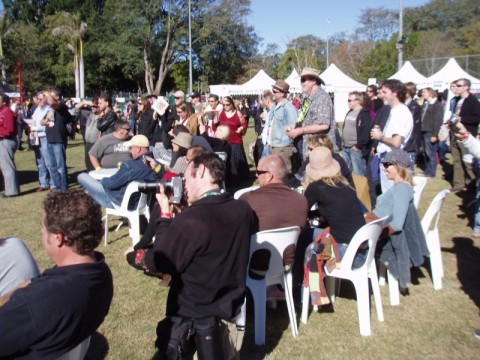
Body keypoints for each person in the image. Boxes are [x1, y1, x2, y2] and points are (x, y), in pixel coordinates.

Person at [141, 152, 253, 359]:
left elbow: (160, 260)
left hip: (193, 317)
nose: (183, 185)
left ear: (200, 171)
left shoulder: (192, 220)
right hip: (229, 309)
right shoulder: (243, 209)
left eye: (185, 179)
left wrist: (165, 215)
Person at [0, 190, 113, 359]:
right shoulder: (100, 272)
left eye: (43, 228)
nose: (41, 233)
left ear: (58, 238)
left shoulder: (36, 303)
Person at [301, 147, 366, 306]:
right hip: (363, 250)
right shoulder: (345, 184)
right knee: (315, 233)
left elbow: (300, 211)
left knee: (304, 237)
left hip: (345, 253)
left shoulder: (316, 187)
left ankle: (306, 291)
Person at [371, 150, 428, 295]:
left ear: (399, 167)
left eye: (387, 165)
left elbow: (397, 224)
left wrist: (377, 234)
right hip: (374, 222)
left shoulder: (402, 189)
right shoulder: (399, 187)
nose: (384, 168)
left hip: (375, 229)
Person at [77, 134, 159, 208]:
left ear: (138, 149)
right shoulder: (156, 166)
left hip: (119, 201)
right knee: (90, 192)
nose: (130, 151)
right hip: (143, 204)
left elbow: (112, 184)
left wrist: (101, 180)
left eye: (131, 148)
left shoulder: (130, 166)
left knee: (82, 176)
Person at [370, 79, 413, 194]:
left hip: (393, 159)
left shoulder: (400, 112)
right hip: (388, 158)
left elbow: (396, 142)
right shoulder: (394, 111)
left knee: (391, 195)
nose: (381, 95)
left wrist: (380, 137)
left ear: (395, 93)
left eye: (384, 92)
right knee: (387, 194)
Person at [286, 67, 335, 160]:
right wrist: (295, 126)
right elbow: (304, 120)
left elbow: (324, 125)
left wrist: (301, 130)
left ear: (313, 81)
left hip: (320, 151)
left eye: (304, 80)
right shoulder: (308, 99)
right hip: (309, 148)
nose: (301, 83)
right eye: (301, 80)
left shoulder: (321, 97)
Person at [449, 79, 480, 193]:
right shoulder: (456, 100)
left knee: (468, 162)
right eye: (455, 85)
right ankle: (458, 184)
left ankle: (472, 183)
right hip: (454, 133)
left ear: (466, 87)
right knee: (456, 160)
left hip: (467, 135)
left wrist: (463, 119)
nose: (456, 87)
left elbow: (477, 118)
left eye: (459, 85)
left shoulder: (473, 101)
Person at [41, 89, 73, 192]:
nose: (47, 98)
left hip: (59, 140)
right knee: (52, 166)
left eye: (51, 96)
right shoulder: (49, 109)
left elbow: (53, 102)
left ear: (57, 97)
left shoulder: (62, 106)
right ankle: (57, 187)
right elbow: (41, 121)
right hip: (49, 140)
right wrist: (44, 121)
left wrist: (48, 94)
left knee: (60, 167)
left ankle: (63, 188)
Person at [263, 79, 298, 172]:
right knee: (274, 172)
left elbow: (294, 126)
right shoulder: (274, 106)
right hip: (272, 145)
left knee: (284, 173)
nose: (272, 93)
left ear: (282, 94)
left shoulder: (289, 107)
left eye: (275, 92)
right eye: (272, 91)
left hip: (283, 147)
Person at [340, 91, 372, 176]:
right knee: (343, 171)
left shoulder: (364, 114)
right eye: (348, 100)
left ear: (358, 101)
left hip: (356, 149)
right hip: (345, 147)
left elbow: (366, 132)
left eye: (350, 100)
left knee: (358, 173)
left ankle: (359, 189)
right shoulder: (350, 112)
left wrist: (358, 146)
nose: (348, 102)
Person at [219, 96, 249, 184]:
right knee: (226, 160)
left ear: (231, 104)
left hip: (236, 140)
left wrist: (241, 128)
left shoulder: (238, 113)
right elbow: (216, 124)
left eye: (227, 105)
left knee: (235, 160)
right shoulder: (220, 113)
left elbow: (244, 124)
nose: (225, 107)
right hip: (224, 141)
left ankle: (237, 179)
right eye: (223, 105)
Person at [28, 91, 52, 192]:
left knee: (49, 162)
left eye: (40, 99)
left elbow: (47, 124)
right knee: (40, 162)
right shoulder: (37, 109)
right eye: (37, 99)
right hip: (36, 137)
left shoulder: (49, 109)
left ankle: (53, 183)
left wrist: (36, 128)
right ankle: (43, 183)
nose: (38, 101)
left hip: (44, 137)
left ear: (46, 99)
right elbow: (33, 120)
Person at [420, 87, 444, 178]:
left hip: (430, 131)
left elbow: (438, 121)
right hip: (424, 130)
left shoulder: (436, 105)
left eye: (424, 92)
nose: (422, 94)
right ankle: (427, 170)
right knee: (425, 152)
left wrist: (434, 134)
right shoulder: (426, 104)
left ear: (430, 93)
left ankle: (431, 172)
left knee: (431, 152)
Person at [0, 93, 19, 198]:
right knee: (6, 167)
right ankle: (11, 190)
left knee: (7, 167)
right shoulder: (2, 112)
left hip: (6, 141)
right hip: (3, 140)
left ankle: (11, 192)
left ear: (3, 102)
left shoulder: (7, 112)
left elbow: (9, 130)